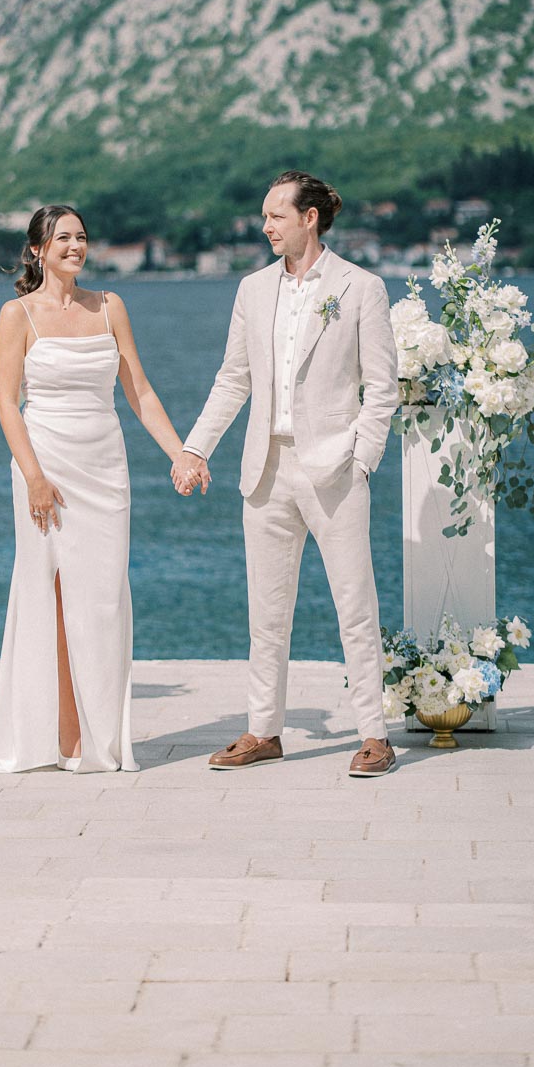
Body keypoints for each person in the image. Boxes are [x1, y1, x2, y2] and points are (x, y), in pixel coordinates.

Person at [171, 171, 399, 778]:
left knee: (355, 604)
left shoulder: (361, 288)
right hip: (265, 468)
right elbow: (234, 378)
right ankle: (263, 730)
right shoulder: (252, 289)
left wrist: (362, 459)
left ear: (310, 218)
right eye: (265, 215)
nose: (265, 225)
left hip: (335, 470)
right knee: (266, 612)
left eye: (276, 215)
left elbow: (382, 388)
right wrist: (196, 449)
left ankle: (374, 735)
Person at [0, 204, 183, 773]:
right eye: (63, 238)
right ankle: (64, 737)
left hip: (105, 468)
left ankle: (102, 739)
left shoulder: (110, 307)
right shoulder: (17, 314)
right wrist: (34, 478)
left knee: (101, 600)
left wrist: (181, 455)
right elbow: (6, 401)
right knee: (49, 594)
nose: (75, 246)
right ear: (37, 250)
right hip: (45, 465)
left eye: (81, 237)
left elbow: (140, 391)